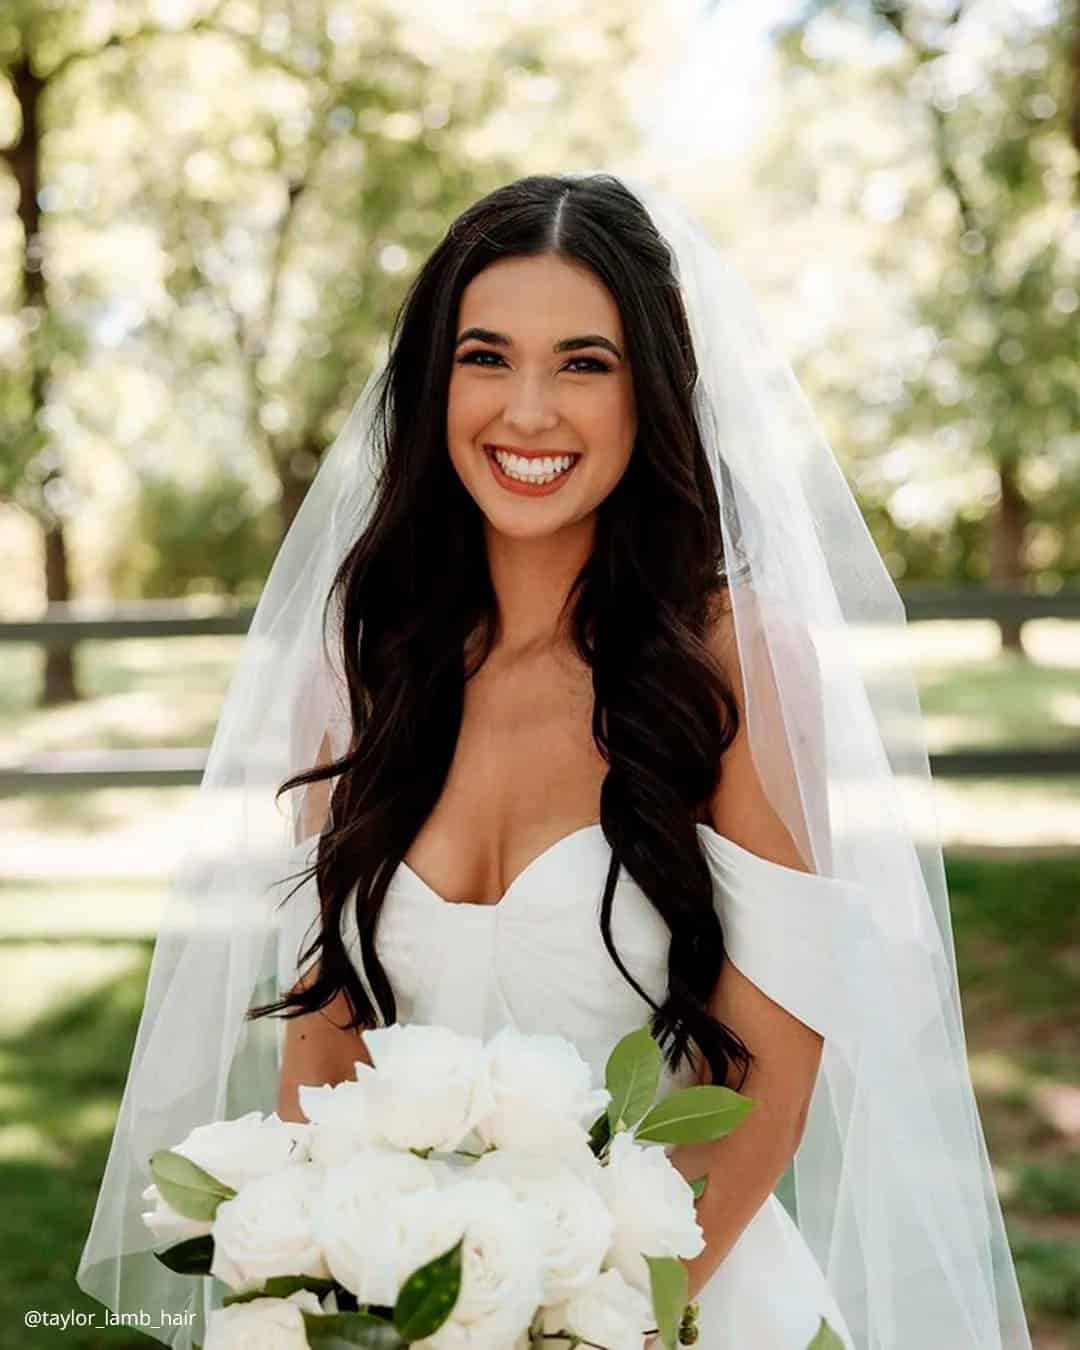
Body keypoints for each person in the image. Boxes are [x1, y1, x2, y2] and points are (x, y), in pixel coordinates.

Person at [76, 172, 1033, 1350]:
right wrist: (337, 1285)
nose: (528, 411)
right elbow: (326, 1048)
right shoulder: (362, 659)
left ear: (653, 396)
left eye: (585, 363)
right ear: (435, 384)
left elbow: (770, 1087)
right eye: (487, 357)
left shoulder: (732, 658)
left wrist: (591, 1324)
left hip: (682, 1297)